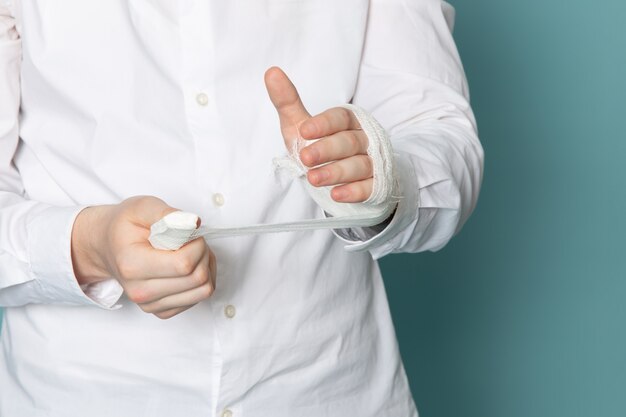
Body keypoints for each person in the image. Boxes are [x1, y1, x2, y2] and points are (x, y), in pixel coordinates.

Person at [0, 0, 483, 416]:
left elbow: (438, 129)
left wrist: (381, 175)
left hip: (330, 390)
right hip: (78, 395)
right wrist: (87, 246)